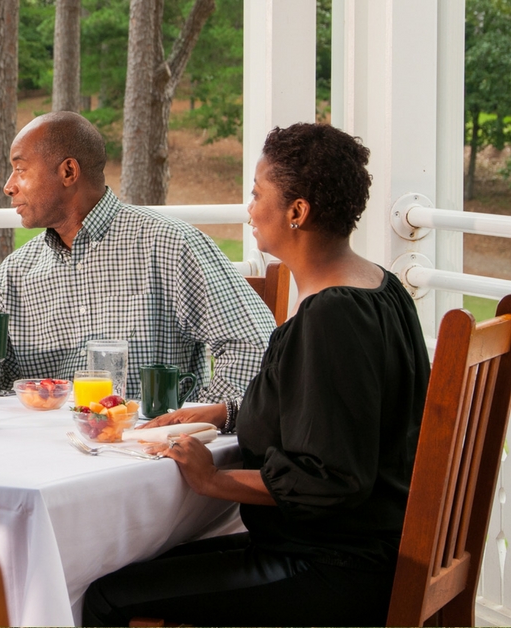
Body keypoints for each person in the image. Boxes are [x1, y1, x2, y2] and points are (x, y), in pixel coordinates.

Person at [81, 123, 431, 626]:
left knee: (107, 597)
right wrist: (229, 412)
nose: (248, 208)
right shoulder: (382, 287)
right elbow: (347, 411)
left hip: (331, 567)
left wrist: (212, 479)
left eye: (256, 193)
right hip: (366, 549)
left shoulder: (331, 315)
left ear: (297, 212)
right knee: (130, 572)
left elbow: (331, 480)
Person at [0, 111, 273, 401]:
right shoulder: (13, 275)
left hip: (150, 451)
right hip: (46, 451)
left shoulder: (169, 245)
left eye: (20, 169)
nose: (8, 186)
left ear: (68, 171)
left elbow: (254, 346)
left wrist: (198, 415)